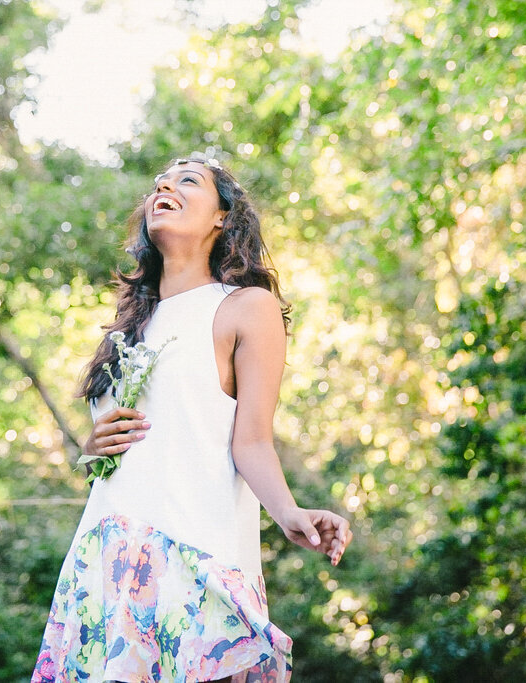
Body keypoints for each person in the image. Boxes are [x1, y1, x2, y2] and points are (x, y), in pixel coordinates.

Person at [32, 155, 353, 683]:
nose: (164, 186)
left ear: (222, 217)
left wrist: (288, 511)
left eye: (187, 180)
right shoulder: (128, 325)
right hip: (109, 554)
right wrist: (91, 449)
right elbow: (119, 452)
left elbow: (250, 441)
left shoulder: (245, 307)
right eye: (159, 182)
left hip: (197, 552)